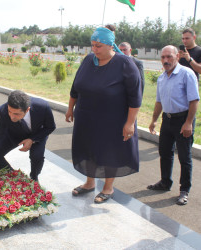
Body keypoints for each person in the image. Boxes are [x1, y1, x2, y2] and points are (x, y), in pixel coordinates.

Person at [65, 27, 142, 203]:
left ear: (110, 45)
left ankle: (108, 188)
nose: (94, 49)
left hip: (112, 120)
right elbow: (75, 87)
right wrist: (70, 108)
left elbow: (135, 97)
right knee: (88, 149)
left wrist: (130, 123)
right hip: (86, 118)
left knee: (109, 152)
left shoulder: (125, 64)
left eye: (98, 46)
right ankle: (89, 183)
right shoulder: (88, 61)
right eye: (92, 45)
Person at [147, 45, 199, 206]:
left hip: (183, 120)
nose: (166, 60)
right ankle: (165, 182)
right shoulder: (162, 77)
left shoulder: (186, 74)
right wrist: (154, 119)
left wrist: (188, 122)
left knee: (184, 156)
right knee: (165, 152)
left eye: (169, 56)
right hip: (167, 120)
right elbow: (159, 101)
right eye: (163, 57)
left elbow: (194, 100)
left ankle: (184, 190)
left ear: (177, 56)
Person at [0, 90, 56, 181]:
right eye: (9, 112)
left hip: (37, 134)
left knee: (37, 156)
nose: (12, 117)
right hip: (15, 134)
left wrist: (32, 139)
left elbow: (50, 127)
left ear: (27, 110)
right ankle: (15, 178)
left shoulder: (43, 107)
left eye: (16, 114)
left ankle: (34, 178)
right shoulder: (2, 110)